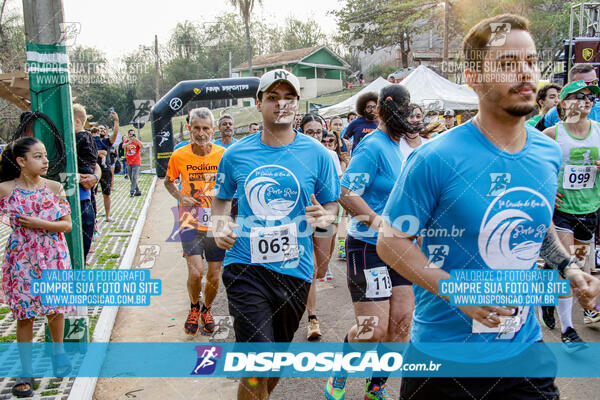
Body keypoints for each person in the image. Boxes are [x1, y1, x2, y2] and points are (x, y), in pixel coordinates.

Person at [376, 14, 600, 399]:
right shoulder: (435, 157)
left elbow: (536, 224)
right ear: (473, 77)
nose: (526, 73)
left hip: (523, 354)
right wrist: (457, 292)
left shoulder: (547, 152)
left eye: (530, 61)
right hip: (442, 364)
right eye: (509, 64)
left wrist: (569, 266)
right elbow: (390, 241)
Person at [212, 69, 340, 399]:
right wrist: (220, 226)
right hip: (245, 267)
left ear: (297, 104)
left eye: (289, 98)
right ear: (259, 104)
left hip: (294, 272)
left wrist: (324, 217)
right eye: (273, 98)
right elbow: (221, 201)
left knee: (274, 364)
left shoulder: (318, 155)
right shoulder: (236, 154)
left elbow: (332, 208)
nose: (281, 104)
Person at [324, 85, 419, 400]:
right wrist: (379, 225)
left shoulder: (402, 146)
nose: (408, 118)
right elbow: (345, 192)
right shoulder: (373, 146)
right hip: (368, 247)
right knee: (373, 330)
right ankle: (341, 369)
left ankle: (375, 388)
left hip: (402, 249)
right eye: (403, 112)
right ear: (387, 111)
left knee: (401, 328)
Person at [0, 137, 74, 397]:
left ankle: (58, 352)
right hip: (21, 258)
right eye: (38, 156)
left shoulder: (54, 187)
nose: (45, 161)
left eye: (45, 156)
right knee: (24, 314)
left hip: (53, 255)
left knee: (55, 308)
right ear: (21, 161)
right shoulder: (6, 189)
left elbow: (67, 225)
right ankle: (26, 371)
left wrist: (38, 223)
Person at [539, 80, 600, 349]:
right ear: (564, 103)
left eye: (590, 97)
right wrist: (548, 191)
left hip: (589, 208)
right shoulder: (552, 134)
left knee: (576, 262)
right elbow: (533, 168)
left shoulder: (599, 131)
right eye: (579, 96)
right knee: (570, 267)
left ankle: (547, 298)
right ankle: (568, 329)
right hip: (561, 213)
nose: (586, 101)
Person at [164, 108, 226, 335]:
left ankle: (206, 309)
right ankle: (193, 307)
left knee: (214, 274)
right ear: (189, 128)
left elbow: (233, 184)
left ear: (213, 129)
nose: (201, 133)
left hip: (217, 220)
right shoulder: (179, 155)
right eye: (196, 128)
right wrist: (180, 196)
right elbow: (168, 181)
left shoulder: (223, 154)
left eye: (206, 128)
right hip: (189, 220)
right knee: (196, 272)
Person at [300, 114, 342, 340]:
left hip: (324, 217)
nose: (315, 136)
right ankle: (312, 318)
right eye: (310, 132)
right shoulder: (295, 153)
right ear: (302, 132)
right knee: (311, 268)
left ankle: (303, 299)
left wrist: (330, 217)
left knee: (323, 268)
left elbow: (335, 195)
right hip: (300, 219)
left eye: (318, 132)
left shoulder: (330, 155)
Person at [73, 104, 101, 261]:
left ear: (77, 122)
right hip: (87, 177)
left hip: (84, 176)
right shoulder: (89, 136)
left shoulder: (79, 138)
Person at [542, 63, 600, 128]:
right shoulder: (553, 113)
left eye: (594, 82)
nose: (588, 87)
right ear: (571, 84)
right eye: (583, 83)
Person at [92, 113, 119, 222]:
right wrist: (99, 152)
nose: (102, 130)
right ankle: (93, 216)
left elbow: (115, 134)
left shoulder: (107, 142)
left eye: (103, 129)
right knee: (92, 194)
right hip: (93, 169)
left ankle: (107, 216)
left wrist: (116, 121)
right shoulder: (91, 141)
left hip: (105, 170)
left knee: (106, 194)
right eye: (100, 129)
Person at [123, 129, 142, 197]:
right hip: (129, 162)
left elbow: (141, 146)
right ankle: (138, 190)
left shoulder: (137, 142)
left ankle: (132, 191)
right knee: (131, 178)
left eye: (133, 134)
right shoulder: (126, 141)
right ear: (128, 135)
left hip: (136, 162)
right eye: (130, 134)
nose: (132, 136)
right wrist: (129, 142)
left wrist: (136, 139)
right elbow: (123, 146)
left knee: (134, 177)